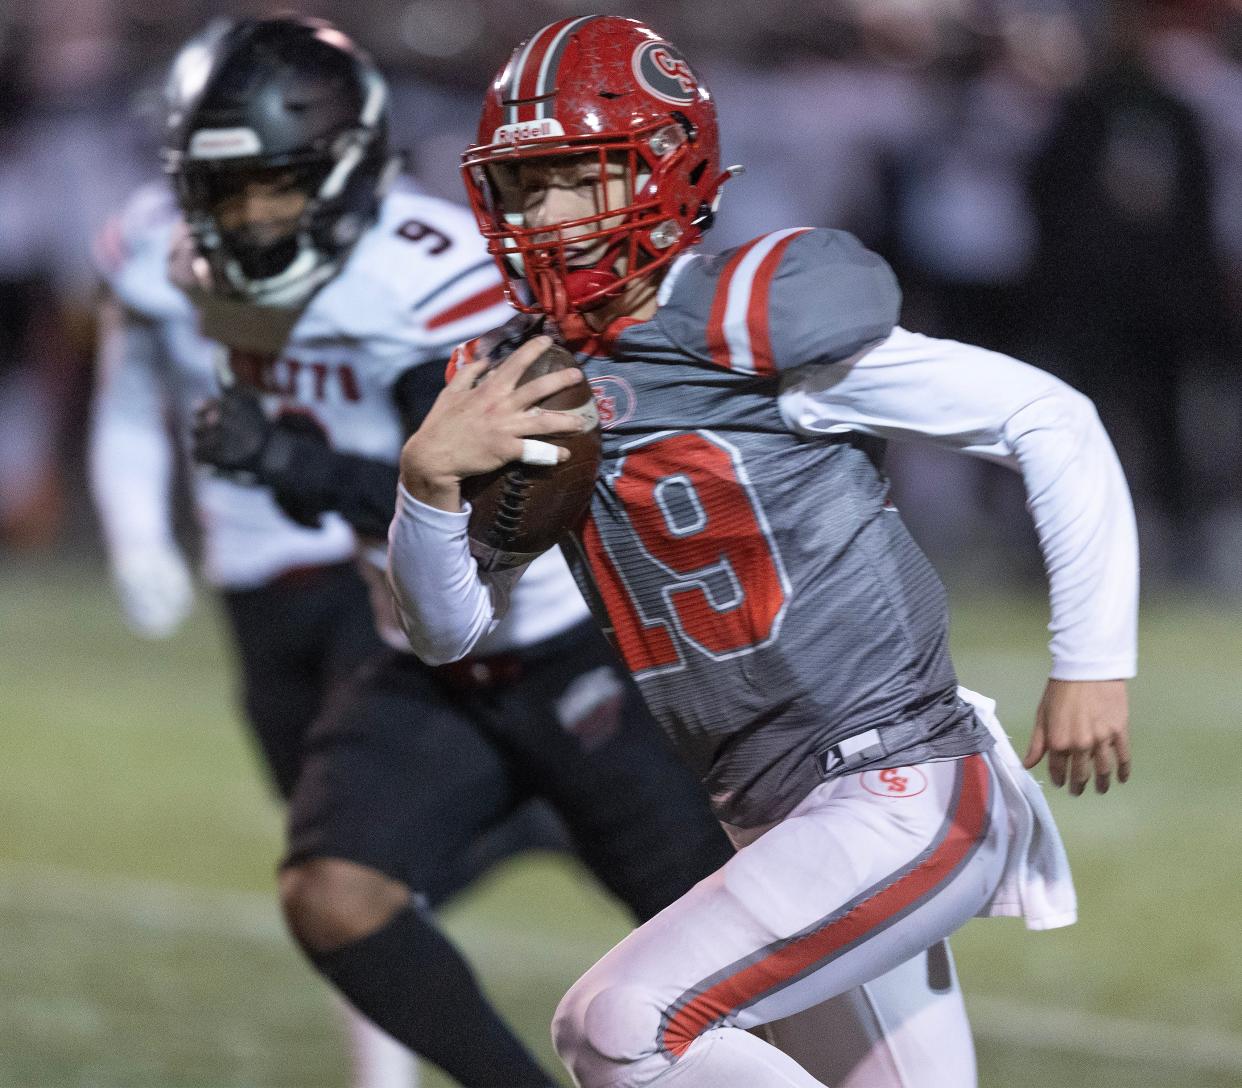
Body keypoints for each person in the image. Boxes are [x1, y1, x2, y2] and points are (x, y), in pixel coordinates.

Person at [387, 15, 1137, 1088]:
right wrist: (425, 484)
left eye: (574, 176)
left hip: (900, 779)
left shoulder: (742, 314)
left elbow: (1047, 415)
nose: (542, 214)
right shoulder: (520, 375)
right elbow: (450, 629)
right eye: (520, 185)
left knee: (618, 1023)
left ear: (663, 170)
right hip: (773, 819)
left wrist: (1093, 658)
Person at [161, 16, 736, 1087]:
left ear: (344, 168)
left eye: (274, 185)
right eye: (223, 189)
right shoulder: (208, 271)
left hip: (573, 639)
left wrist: (293, 466)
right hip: (426, 650)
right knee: (334, 890)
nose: (248, 216)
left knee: (726, 954)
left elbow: (486, 513)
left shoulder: (436, 281)